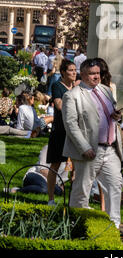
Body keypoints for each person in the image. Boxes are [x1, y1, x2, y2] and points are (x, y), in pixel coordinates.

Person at [61, 58, 123, 232]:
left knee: (115, 186)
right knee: (82, 190)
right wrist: (84, 147)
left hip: (110, 148)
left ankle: (114, 227)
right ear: (82, 74)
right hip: (89, 151)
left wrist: (116, 116)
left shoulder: (105, 90)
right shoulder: (72, 95)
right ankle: (75, 226)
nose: (96, 77)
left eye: (98, 73)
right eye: (92, 74)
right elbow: (71, 125)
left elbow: (110, 113)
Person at [46, 60, 77, 206]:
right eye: (71, 70)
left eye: (75, 70)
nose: (74, 73)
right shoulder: (57, 86)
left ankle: (74, 199)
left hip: (76, 131)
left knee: (77, 166)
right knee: (56, 164)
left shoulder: (77, 87)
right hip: (60, 131)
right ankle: (51, 199)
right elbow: (59, 105)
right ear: (63, 72)